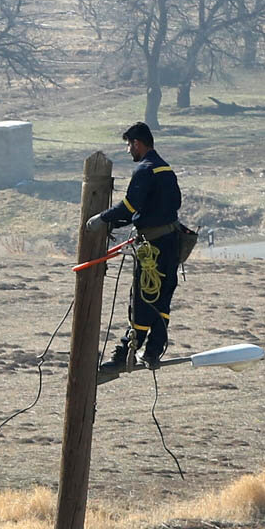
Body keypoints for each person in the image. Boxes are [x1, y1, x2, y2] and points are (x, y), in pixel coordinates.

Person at [86, 122, 182, 372]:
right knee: (162, 299)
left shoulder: (145, 169)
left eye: (129, 145)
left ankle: (124, 354)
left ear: (137, 143)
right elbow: (164, 206)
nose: (129, 150)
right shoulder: (165, 169)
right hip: (171, 244)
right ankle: (152, 352)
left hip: (153, 247)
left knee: (142, 299)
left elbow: (129, 207)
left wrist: (102, 219)